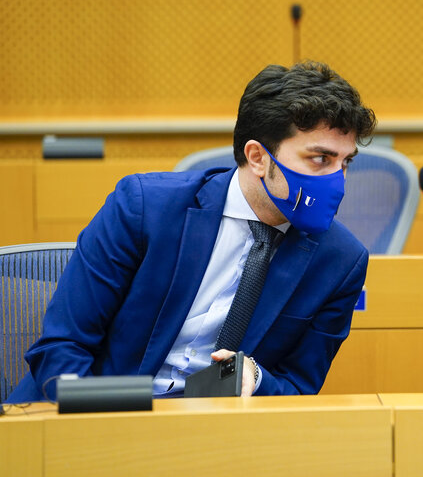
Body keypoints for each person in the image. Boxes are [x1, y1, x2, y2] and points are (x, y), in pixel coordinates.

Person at [8, 61, 376, 402]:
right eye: (320, 159)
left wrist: (257, 376)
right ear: (258, 157)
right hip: (90, 418)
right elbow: (61, 348)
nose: (338, 180)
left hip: (215, 440)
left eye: (346, 163)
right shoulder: (144, 207)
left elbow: (298, 386)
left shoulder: (340, 260)